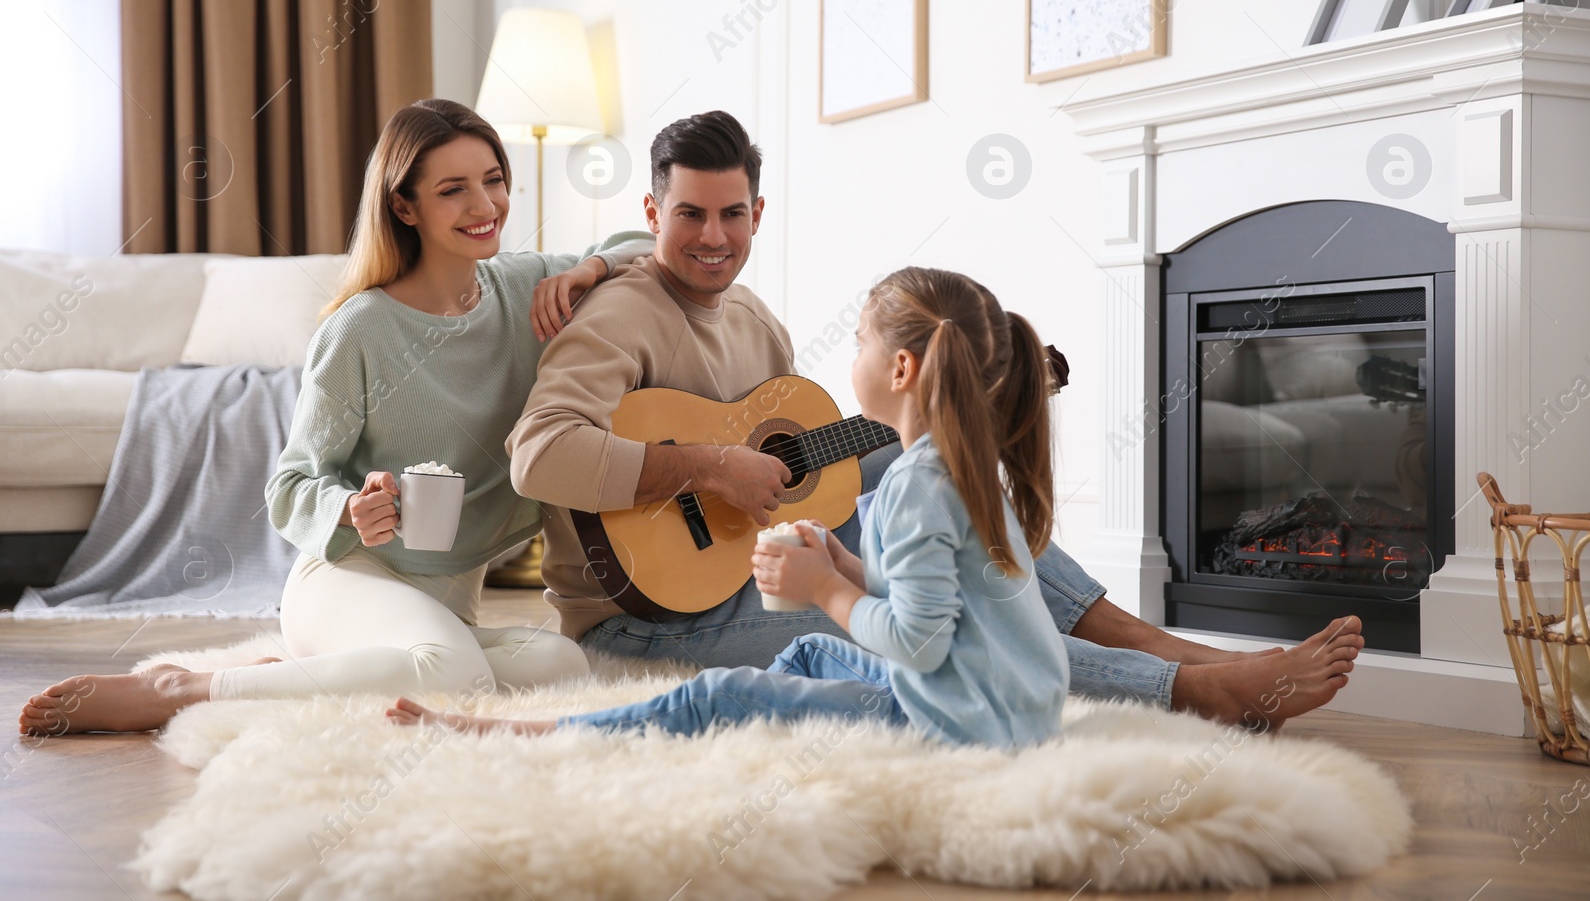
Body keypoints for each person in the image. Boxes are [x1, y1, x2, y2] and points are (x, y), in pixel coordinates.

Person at [502, 109, 1362, 731]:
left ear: (758, 214)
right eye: (688, 213)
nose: (713, 235)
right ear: (652, 214)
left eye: (732, 213)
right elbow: (538, 457)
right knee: (947, 635)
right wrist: (704, 466)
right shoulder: (614, 312)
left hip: (740, 566)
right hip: (649, 618)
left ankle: (1173, 650)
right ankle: (1191, 690)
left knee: (933, 474)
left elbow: (798, 468)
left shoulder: (756, 321)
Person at [19, 99, 654, 736]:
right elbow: (292, 483)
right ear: (404, 207)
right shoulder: (361, 328)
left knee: (562, 664)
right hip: (349, 580)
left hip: (446, 602)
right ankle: (186, 686)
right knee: (454, 674)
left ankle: (303, 673)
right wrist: (350, 510)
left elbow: (650, 246)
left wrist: (591, 268)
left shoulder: (530, 287)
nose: (485, 206)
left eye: (493, 180)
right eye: (453, 190)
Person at [391, 267, 1073, 746]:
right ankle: (757, 725)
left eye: (861, 341)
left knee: (716, 694)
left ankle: (538, 733)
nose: (852, 354)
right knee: (806, 648)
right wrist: (850, 568)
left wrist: (825, 587)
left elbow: (920, 644)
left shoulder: (910, 485)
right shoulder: (959, 468)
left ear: (900, 371)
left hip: (961, 721)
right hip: (1016, 706)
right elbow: (936, 606)